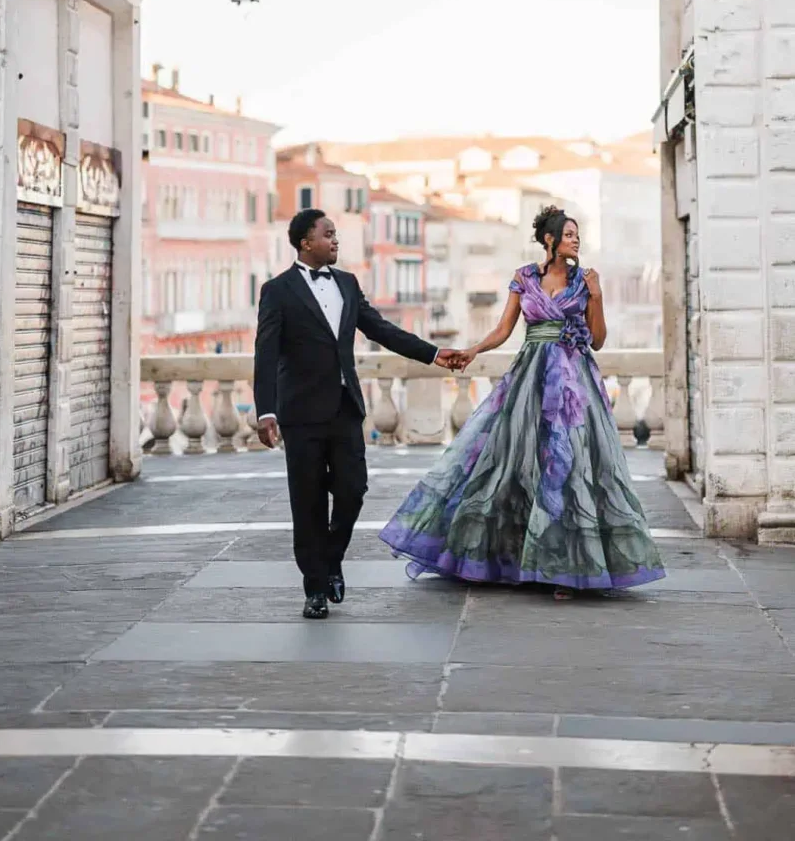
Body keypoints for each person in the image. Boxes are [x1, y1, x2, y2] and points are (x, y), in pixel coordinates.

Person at [379, 205, 665, 598]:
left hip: (571, 383)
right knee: (513, 462)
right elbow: (503, 328)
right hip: (530, 378)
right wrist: (474, 349)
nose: (575, 240)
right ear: (549, 240)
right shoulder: (524, 278)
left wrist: (596, 296)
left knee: (569, 467)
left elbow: (598, 340)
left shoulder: (586, 281)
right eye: (568, 234)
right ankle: (510, 558)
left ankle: (568, 568)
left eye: (577, 235)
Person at [254, 208, 466, 619]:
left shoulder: (348, 284)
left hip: (344, 408)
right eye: (328, 234)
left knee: (353, 490)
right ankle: (315, 587)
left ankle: (331, 558)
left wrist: (435, 354)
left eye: (335, 235)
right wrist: (266, 411)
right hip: (299, 414)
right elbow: (266, 354)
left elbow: (381, 329)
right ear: (305, 243)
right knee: (308, 502)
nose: (336, 241)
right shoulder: (277, 291)